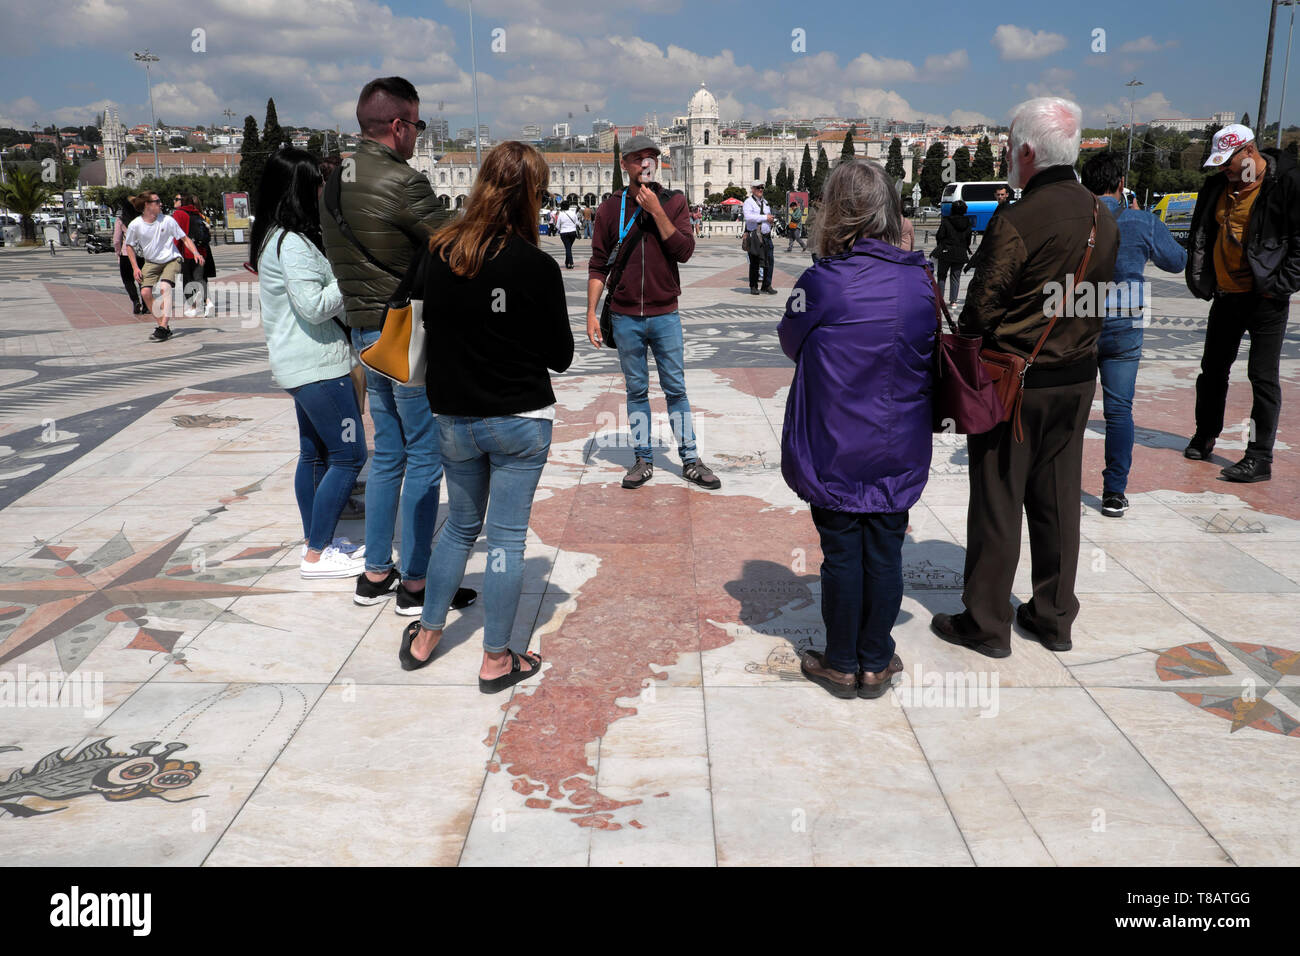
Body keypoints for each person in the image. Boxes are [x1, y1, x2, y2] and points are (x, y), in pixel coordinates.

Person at [930, 96, 1118, 658]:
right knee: (1058, 497)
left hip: (1016, 381)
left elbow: (980, 312)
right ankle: (1053, 617)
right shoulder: (1100, 215)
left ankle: (987, 623)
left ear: (1028, 151)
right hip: (1078, 378)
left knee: (998, 496)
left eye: (1013, 146)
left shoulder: (1018, 218)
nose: (1011, 155)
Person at [400, 142, 574, 687]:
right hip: (520, 418)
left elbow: (410, 316)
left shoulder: (439, 250)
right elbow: (561, 357)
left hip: (453, 417)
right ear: (530, 196)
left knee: (458, 529)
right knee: (505, 540)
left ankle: (427, 636)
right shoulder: (536, 266)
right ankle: (497, 658)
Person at [780, 158, 934, 699]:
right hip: (900, 442)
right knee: (886, 550)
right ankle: (876, 659)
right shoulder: (920, 282)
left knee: (842, 551)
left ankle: (841, 662)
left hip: (837, 443)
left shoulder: (822, 282)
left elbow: (790, 341)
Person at [319, 75, 473, 615]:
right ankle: (415, 582)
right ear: (400, 125)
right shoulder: (402, 182)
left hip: (365, 332)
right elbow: (456, 245)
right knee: (425, 456)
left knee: (388, 455)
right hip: (406, 331)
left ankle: (374, 572)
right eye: (418, 124)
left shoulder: (333, 182)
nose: (416, 136)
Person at [249, 148, 367, 579]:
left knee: (314, 455)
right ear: (299, 188)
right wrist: (349, 279)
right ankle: (317, 553)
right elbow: (314, 305)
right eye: (317, 182)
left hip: (303, 364)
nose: (322, 188)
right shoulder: (293, 244)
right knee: (350, 455)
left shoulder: (275, 237)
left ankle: (316, 541)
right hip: (319, 366)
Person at [585, 134, 721, 491]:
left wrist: (657, 212)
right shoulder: (611, 208)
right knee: (637, 391)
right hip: (625, 315)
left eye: (652, 157)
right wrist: (590, 313)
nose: (646, 163)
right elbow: (599, 264)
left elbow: (684, 250)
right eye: (638, 158)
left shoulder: (673, 201)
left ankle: (690, 459)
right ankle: (643, 458)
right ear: (625, 164)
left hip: (665, 314)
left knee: (676, 388)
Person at [1184, 124, 1300, 483]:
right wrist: (1203, 277)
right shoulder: (1218, 186)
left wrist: (1279, 286)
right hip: (1226, 294)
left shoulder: (1287, 184)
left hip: (1266, 299)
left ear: (1249, 152)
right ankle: (1205, 435)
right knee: (1213, 369)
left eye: (1228, 162)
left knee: (1261, 378)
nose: (1224, 170)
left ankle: (1259, 455)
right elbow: (1203, 231)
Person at [1081, 151, 1187, 516]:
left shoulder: (1076, 219)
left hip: (1079, 322)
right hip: (1125, 324)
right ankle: (1113, 492)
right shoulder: (1142, 221)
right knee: (1119, 411)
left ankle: (1056, 484)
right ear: (1121, 184)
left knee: (1070, 409)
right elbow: (1177, 261)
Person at [123, 191, 204, 342]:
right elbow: (129, 246)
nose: (161, 204)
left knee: (165, 288)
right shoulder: (135, 225)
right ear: (147, 205)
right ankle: (163, 326)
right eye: (157, 201)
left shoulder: (167, 220)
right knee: (146, 293)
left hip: (172, 259)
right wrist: (135, 267)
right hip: (151, 262)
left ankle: (163, 326)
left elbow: (184, 238)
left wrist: (196, 252)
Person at [172, 192, 216, 318]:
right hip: (201, 251)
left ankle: (193, 307)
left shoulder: (179, 214)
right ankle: (208, 302)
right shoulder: (198, 214)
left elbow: (178, 235)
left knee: (188, 281)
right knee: (200, 278)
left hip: (187, 252)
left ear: (182, 202)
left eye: (177, 199)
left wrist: (174, 251)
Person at [931, 199, 973, 305]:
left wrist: (941, 245)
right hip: (960, 252)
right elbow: (968, 238)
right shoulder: (968, 222)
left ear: (952, 209)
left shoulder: (946, 220)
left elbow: (939, 235)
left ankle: (940, 300)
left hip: (946, 251)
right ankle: (953, 300)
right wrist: (965, 246)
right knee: (955, 277)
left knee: (941, 276)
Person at [743, 180, 777, 294]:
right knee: (755, 261)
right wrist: (765, 217)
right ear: (752, 189)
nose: (761, 190)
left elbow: (767, 216)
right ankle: (753, 286)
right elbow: (748, 217)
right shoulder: (748, 202)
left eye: (762, 188)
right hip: (755, 236)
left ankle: (767, 285)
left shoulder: (765, 202)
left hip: (766, 236)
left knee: (769, 260)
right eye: (758, 188)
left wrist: (771, 220)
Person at [112, 199, 145, 314]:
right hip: (141, 255)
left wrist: (118, 253)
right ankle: (146, 304)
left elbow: (116, 240)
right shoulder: (142, 220)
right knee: (143, 280)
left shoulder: (120, 220)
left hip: (126, 254)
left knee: (128, 280)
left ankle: (135, 301)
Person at [556, 199, 581, 268]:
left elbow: (557, 226)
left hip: (564, 233)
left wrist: (559, 229)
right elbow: (577, 223)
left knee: (568, 248)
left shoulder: (561, 214)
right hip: (573, 232)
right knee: (569, 248)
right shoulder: (573, 213)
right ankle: (567, 262)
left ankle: (571, 263)